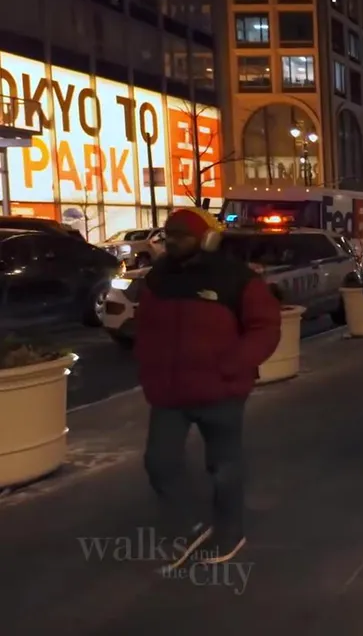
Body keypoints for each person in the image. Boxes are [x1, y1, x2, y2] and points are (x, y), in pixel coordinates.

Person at [135, 207, 282, 568]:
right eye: (169, 235)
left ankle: (230, 532)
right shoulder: (157, 278)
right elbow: (145, 328)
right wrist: (148, 367)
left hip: (221, 391)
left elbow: (265, 327)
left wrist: (233, 365)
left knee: (224, 466)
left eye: (182, 235)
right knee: (159, 462)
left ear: (207, 239)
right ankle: (191, 527)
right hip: (168, 393)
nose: (172, 242)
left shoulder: (236, 278)